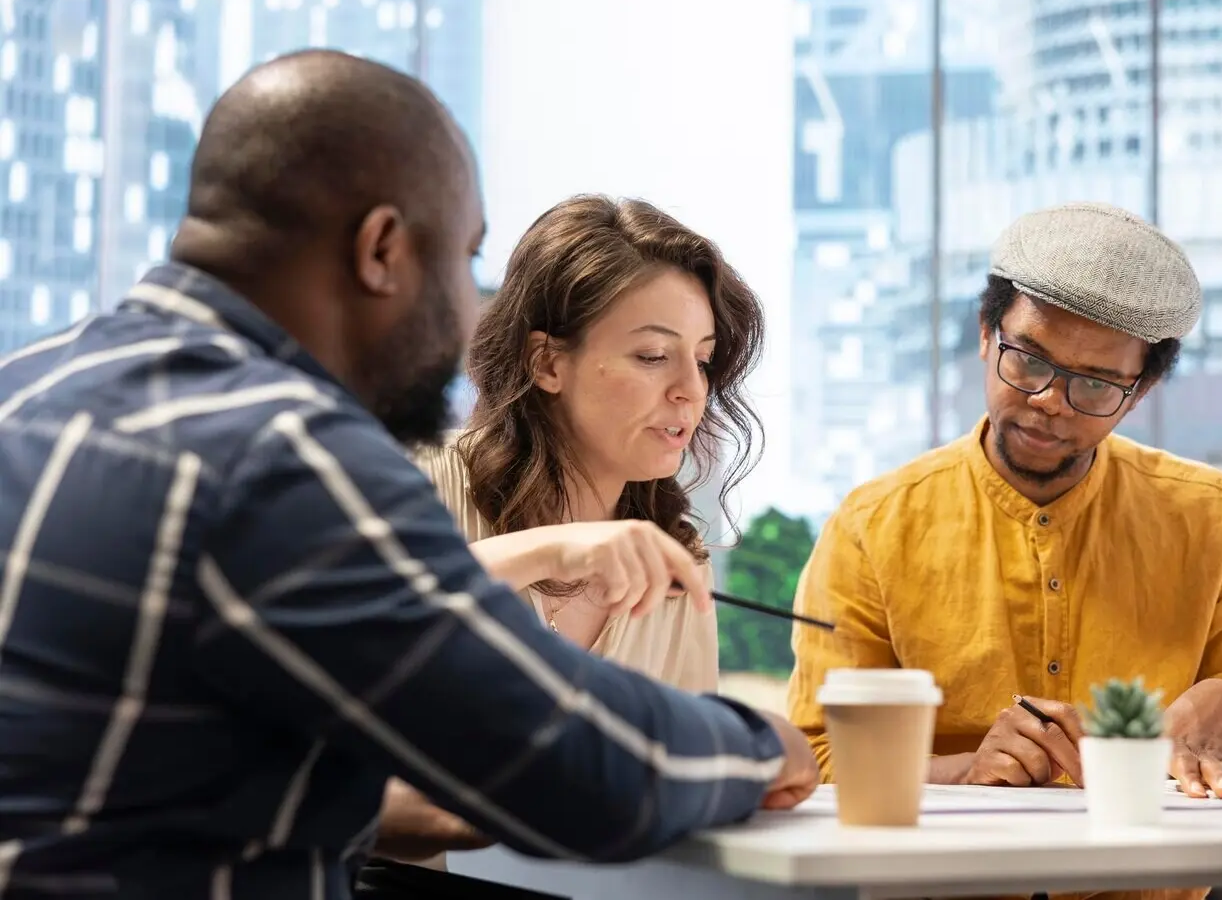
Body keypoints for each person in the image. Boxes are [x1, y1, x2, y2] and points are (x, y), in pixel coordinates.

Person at [0, 50, 817, 900]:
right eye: (464, 259)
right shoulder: (283, 459)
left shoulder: (24, 389)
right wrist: (759, 744)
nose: (470, 312)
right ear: (382, 250)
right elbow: (565, 766)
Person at [787, 202, 1222, 900]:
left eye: (1095, 384)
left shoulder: (1216, 519)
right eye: (1029, 360)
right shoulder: (872, 526)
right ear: (986, 335)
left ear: (1140, 391)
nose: (1049, 401)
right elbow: (814, 758)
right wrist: (965, 773)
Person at [359, 194, 767, 892]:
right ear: (547, 362)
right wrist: (547, 551)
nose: (689, 391)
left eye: (702, 361)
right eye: (652, 355)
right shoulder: (414, 484)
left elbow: (681, 798)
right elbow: (360, 623)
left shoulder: (677, 563)